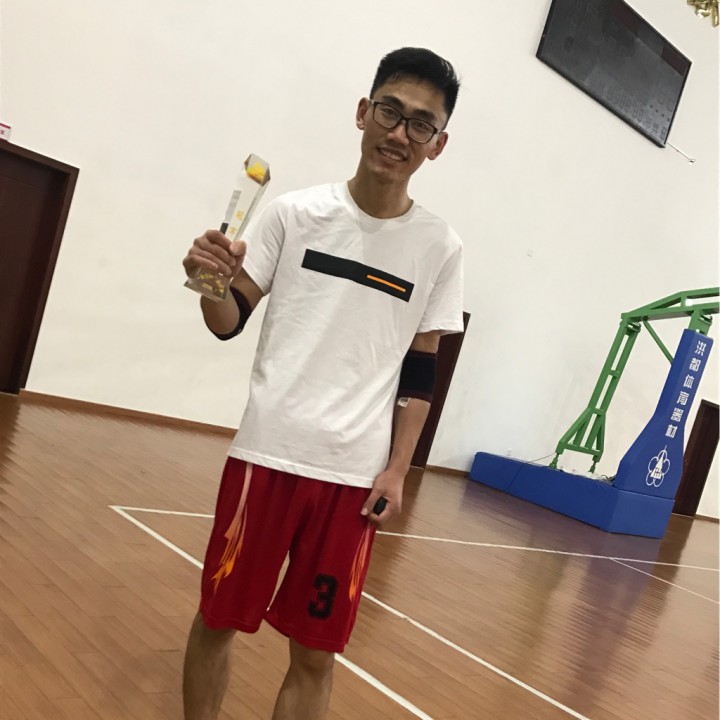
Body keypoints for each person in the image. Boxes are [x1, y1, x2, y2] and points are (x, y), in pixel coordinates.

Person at [181, 46, 463, 720]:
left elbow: (421, 372)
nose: (400, 133)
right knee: (218, 620)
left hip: (353, 482)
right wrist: (210, 284)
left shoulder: (440, 247)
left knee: (314, 653)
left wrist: (397, 470)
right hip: (266, 457)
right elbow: (228, 320)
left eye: (420, 124)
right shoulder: (293, 214)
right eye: (390, 111)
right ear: (363, 112)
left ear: (437, 144)